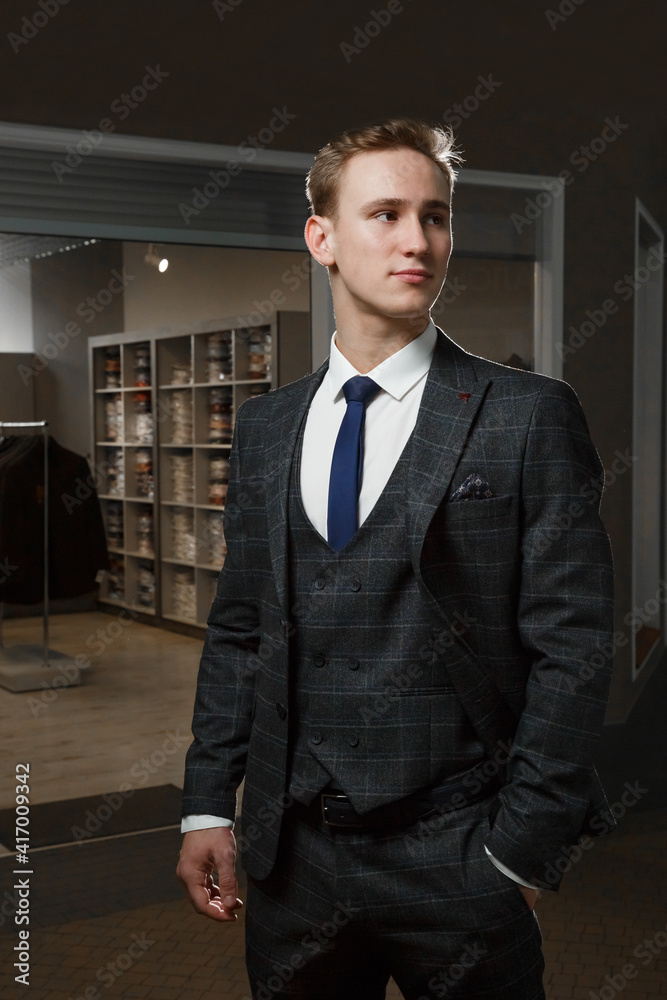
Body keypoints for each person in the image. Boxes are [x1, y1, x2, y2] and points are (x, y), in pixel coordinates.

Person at [177, 117, 615, 999]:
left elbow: (573, 650)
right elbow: (238, 635)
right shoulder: (265, 430)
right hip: (291, 858)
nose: (418, 240)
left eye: (436, 216)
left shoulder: (528, 414)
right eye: (384, 213)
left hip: (459, 853)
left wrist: (519, 854)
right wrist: (205, 803)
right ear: (322, 238)